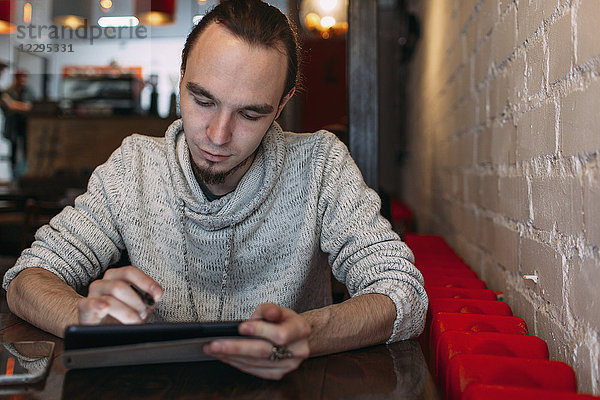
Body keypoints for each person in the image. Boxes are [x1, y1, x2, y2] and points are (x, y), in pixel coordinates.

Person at [2, 0, 427, 380]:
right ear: (181, 77)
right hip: (154, 389)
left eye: (249, 113)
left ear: (281, 106)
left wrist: (310, 334)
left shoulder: (321, 166)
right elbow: (26, 279)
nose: (218, 136)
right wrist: (82, 317)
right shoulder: (134, 166)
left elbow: (402, 293)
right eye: (203, 100)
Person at [1, 69, 33, 179]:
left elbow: (30, 106)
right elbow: (8, 106)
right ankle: (14, 176)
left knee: (26, 150)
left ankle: (23, 176)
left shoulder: (28, 91)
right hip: (12, 126)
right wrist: (21, 106)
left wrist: (14, 105)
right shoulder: (9, 91)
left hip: (25, 125)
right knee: (13, 151)